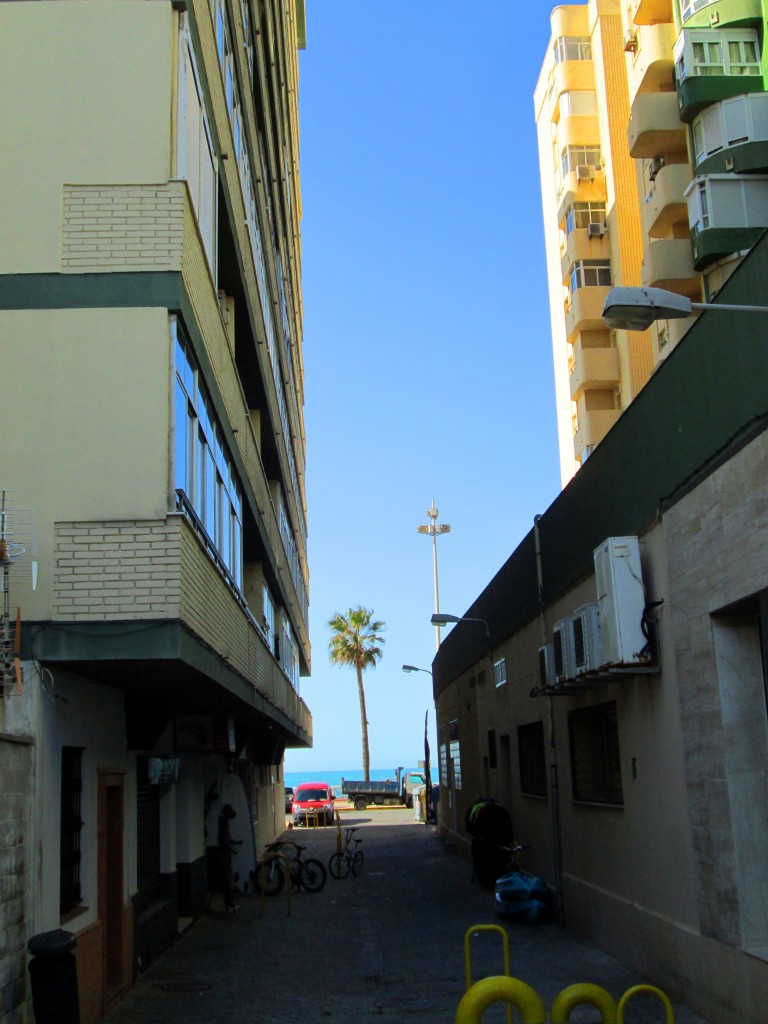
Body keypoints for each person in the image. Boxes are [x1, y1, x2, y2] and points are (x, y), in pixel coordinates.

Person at [217, 804, 238, 911]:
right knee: (226, 878)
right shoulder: (222, 821)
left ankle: (230, 902)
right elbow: (222, 840)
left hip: (224, 853)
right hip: (223, 854)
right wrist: (231, 849)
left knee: (228, 877)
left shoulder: (224, 821)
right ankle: (229, 903)